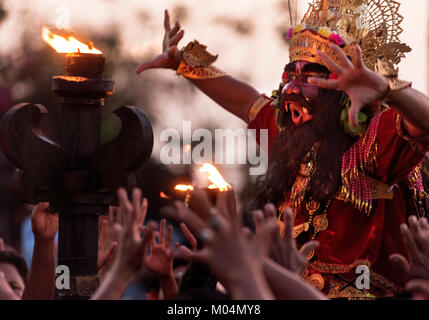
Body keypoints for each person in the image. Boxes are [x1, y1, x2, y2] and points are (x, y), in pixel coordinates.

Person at [137, 0, 429, 298]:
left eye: (309, 77)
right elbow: (245, 102)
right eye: (290, 76)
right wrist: (182, 63)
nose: (292, 88)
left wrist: (386, 89)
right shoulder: (292, 136)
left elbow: (425, 121)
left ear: (343, 91)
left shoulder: (370, 141)